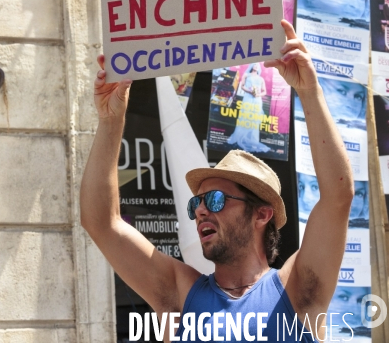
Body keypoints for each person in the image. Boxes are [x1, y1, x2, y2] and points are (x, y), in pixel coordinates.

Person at [80, 20, 354, 342]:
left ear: (261, 214)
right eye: (196, 202)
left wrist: (309, 92)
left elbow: (338, 196)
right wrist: (111, 121)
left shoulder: (296, 291)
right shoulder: (180, 295)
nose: (200, 212)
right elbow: (101, 222)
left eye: (215, 200)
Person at [227, 64, 270, 153]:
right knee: (244, 116)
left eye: (257, 66)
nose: (256, 66)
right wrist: (250, 91)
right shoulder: (246, 75)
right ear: (252, 66)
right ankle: (239, 136)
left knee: (254, 119)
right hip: (248, 97)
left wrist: (258, 94)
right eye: (254, 65)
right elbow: (242, 86)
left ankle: (253, 140)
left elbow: (264, 91)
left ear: (259, 68)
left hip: (257, 100)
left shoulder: (261, 79)